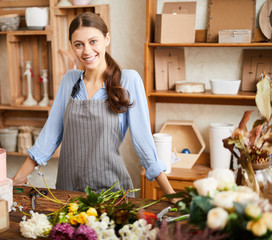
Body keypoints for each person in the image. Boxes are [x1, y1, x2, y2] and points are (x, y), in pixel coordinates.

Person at [12, 12, 175, 196]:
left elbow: (143, 142)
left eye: (93, 41)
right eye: (78, 45)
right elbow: (49, 137)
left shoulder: (128, 80)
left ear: (107, 39)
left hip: (112, 193)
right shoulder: (70, 81)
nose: (86, 51)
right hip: (68, 192)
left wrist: (170, 194)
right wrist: (15, 180)